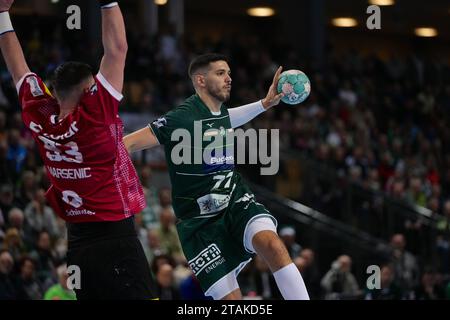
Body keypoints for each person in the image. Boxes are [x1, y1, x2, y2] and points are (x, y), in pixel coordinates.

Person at [0, 0, 155, 299]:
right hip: (116, 239)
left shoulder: (39, 114)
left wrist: (2, 14)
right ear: (88, 92)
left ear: (53, 91)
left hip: (78, 245)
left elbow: (17, 68)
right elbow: (117, 49)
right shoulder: (96, 114)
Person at [124, 53, 309, 300]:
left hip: (234, 200)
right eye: (220, 73)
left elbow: (228, 119)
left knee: (273, 245)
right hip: (199, 223)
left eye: (229, 73)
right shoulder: (180, 118)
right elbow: (127, 144)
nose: (229, 79)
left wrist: (264, 104)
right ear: (200, 80)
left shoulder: (218, 112)